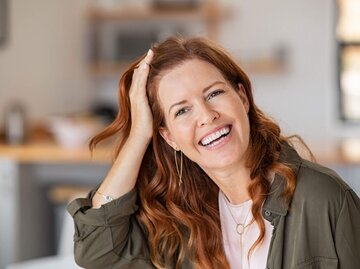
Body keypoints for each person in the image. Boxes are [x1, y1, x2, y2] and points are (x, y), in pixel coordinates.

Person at [67, 36, 360, 269]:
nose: (206, 116)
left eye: (214, 93)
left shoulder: (323, 197)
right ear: (169, 137)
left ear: (242, 97)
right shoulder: (181, 221)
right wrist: (139, 135)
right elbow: (97, 251)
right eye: (182, 110)